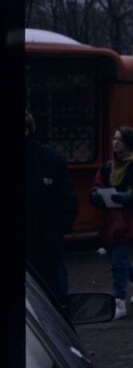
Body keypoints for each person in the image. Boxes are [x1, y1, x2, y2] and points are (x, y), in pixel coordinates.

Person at [89, 126, 133, 320]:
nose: (115, 143)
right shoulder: (107, 167)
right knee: (118, 259)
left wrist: (124, 198)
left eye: (120, 140)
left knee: (118, 262)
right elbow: (96, 187)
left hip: (128, 223)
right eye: (114, 139)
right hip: (110, 223)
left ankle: (119, 302)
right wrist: (96, 196)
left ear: (129, 144)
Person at [25, 110, 78, 314]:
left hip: (45, 246)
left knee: (54, 301)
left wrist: (56, 233)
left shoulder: (49, 159)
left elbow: (68, 200)